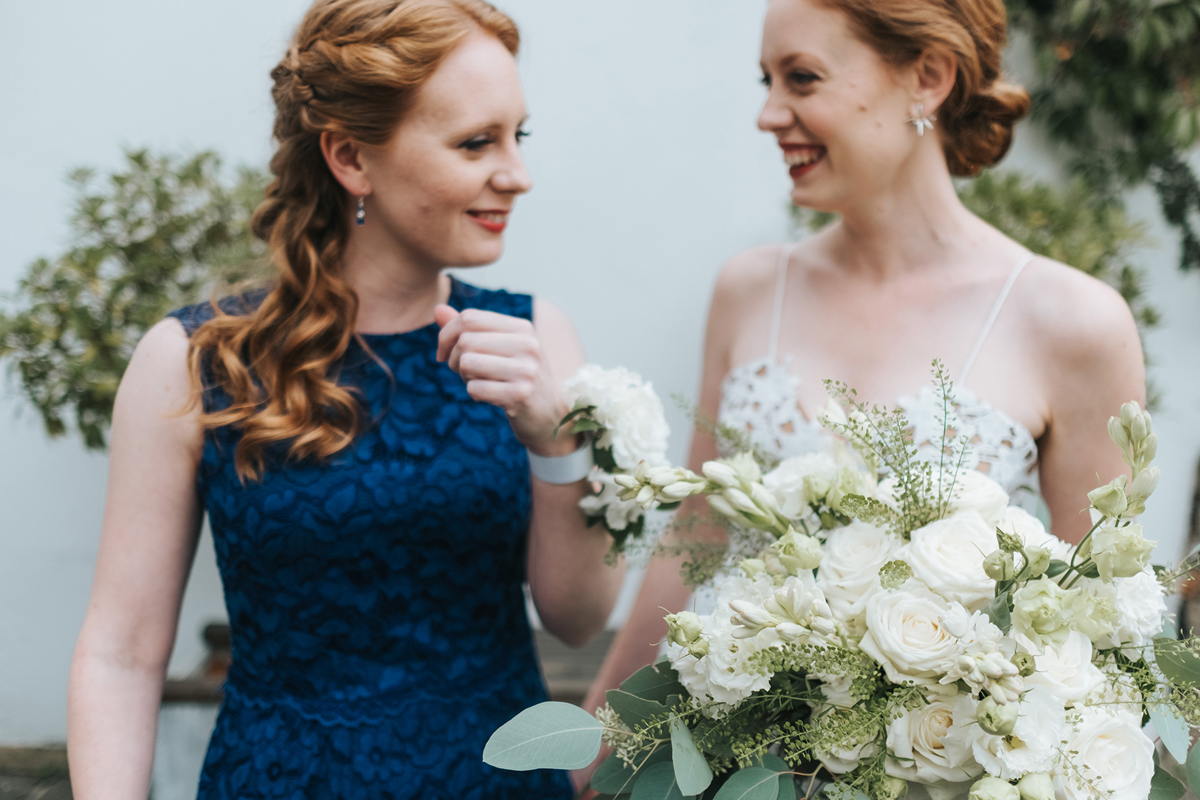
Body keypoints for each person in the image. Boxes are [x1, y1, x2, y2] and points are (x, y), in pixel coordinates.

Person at [579, 0, 1144, 785]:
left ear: (929, 77)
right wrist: (602, 749)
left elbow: (1102, 628)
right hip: (724, 773)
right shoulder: (750, 291)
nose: (769, 114)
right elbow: (697, 543)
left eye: (801, 78)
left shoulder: (1073, 322)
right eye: (767, 80)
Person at [67, 1, 622, 798]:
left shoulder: (535, 339)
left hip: (494, 780)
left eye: (517, 135)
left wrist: (556, 443)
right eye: (476, 143)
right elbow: (120, 652)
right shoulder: (195, 361)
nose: (517, 174)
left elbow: (574, 617)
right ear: (351, 158)